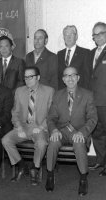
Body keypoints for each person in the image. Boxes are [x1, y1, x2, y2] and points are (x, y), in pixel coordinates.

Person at [45, 67, 97, 196]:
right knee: (53, 142)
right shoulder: (57, 95)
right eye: (67, 76)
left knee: (79, 143)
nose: (70, 78)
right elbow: (51, 118)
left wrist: (83, 132)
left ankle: (84, 178)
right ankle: (50, 175)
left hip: (79, 131)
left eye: (73, 75)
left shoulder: (87, 94)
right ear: (63, 79)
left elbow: (92, 118)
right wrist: (54, 130)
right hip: (61, 131)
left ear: (78, 78)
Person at [2, 66, 54, 186]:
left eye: (30, 77)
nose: (27, 80)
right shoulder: (20, 91)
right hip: (23, 126)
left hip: (40, 127)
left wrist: (41, 127)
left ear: (38, 77)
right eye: (25, 77)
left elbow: (52, 115)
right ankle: (22, 165)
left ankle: (34, 169)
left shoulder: (49, 91)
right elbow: (15, 112)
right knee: (6, 140)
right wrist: (19, 127)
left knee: (42, 143)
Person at [89, 22, 106, 175]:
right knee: (97, 132)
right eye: (95, 34)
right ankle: (101, 161)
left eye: (101, 33)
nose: (97, 36)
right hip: (93, 101)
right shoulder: (92, 52)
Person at [57, 25, 90, 90]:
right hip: (63, 92)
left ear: (76, 36)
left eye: (71, 34)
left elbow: (87, 76)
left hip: (80, 92)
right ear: (64, 37)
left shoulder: (85, 53)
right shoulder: (59, 54)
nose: (69, 37)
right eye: (66, 34)